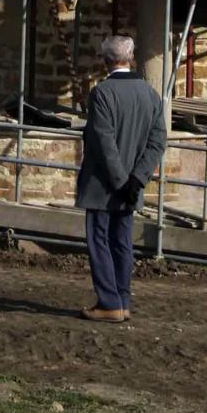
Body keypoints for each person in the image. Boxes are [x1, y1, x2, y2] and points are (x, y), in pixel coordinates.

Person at [75, 33, 167, 323]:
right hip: (130, 186)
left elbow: (104, 142)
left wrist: (121, 181)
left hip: (104, 185)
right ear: (130, 58)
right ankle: (122, 300)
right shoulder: (150, 95)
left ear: (106, 60)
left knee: (100, 241)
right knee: (122, 242)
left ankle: (109, 301)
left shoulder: (102, 94)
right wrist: (137, 179)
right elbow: (158, 141)